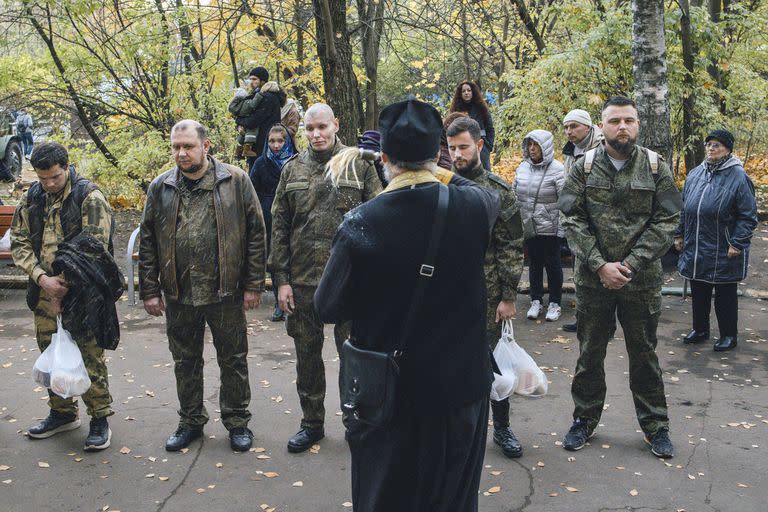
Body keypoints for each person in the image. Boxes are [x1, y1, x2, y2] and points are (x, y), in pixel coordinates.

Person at [315, 98, 502, 512]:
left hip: (393, 398)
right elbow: (478, 191)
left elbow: (326, 306)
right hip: (462, 392)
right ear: (438, 154)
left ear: (382, 157)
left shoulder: (362, 222)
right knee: (454, 500)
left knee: (387, 499)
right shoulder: (475, 208)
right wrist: (437, 170)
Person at [558, 96, 682, 458]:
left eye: (629, 120)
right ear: (602, 126)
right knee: (589, 353)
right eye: (614, 121)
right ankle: (583, 420)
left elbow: (667, 219)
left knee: (644, 354)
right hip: (593, 281)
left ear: (639, 124)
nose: (622, 127)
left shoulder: (656, 167)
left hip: (640, 282)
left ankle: (656, 426)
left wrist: (630, 264)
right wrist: (600, 265)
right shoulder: (583, 167)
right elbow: (571, 218)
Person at [139, 120, 267, 453]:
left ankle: (238, 422)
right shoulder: (160, 186)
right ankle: (191, 421)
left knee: (234, 360)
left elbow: (256, 233)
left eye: (188, 146)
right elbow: (149, 240)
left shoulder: (235, 180)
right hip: (180, 292)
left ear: (206, 146)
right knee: (185, 361)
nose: (181, 153)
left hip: (225, 291)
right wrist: (150, 289)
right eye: (176, 147)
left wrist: (254, 284)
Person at [269, 104, 382, 453]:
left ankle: (356, 423)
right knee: (307, 356)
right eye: (309, 128)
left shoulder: (359, 165)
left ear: (336, 124)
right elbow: (280, 227)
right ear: (302, 130)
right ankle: (312, 423)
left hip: (351, 282)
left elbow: (380, 221)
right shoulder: (292, 170)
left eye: (322, 126)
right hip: (303, 282)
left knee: (354, 357)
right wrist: (281, 281)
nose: (316, 134)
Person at [10, 141, 115, 451]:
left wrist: (63, 285)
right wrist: (43, 279)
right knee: (51, 351)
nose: (48, 184)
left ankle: (99, 416)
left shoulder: (89, 197)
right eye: (42, 178)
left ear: (66, 167)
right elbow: (19, 241)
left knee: (88, 352)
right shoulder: (33, 197)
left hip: (83, 292)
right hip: (43, 291)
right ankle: (62, 412)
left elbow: (93, 247)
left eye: (54, 177)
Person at [446, 116, 525, 458]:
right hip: (448, 296)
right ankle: (459, 430)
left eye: (463, 147)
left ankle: (502, 429)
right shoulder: (442, 186)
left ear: (479, 145)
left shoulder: (497, 191)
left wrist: (508, 296)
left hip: (488, 294)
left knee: (492, 364)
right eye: (452, 148)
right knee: (451, 363)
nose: (457, 154)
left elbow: (511, 244)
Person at [675, 129, 757, 352]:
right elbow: (684, 208)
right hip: (696, 243)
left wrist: (738, 243)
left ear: (728, 149)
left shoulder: (739, 177)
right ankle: (700, 329)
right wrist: (679, 234)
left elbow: (748, 215)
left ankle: (729, 335)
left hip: (724, 246)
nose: (711, 149)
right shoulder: (695, 174)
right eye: (709, 144)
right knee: (699, 288)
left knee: (725, 293)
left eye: (717, 145)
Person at [513, 130, 565, 322]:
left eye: (536, 145)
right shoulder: (522, 167)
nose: (532, 149)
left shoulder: (558, 169)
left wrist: (561, 228)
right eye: (529, 144)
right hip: (529, 225)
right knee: (534, 263)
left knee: (553, 264)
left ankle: (555, 302)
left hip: (550, 227)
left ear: (546, 147)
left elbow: (564, 200)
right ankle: (536, 300)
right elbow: (514, 193)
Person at [561, 109, 604, 333]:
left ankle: (603, 321)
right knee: (580, 273)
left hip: (601, 220)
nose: (569, 131)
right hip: (578, 219)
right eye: (566, 127)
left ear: (587, 127)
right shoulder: (570, 151)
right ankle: (584, 319)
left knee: (601, 270)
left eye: (574, 126)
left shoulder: (602, 148)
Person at [250, 124, 297, 322]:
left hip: (295, 214)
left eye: (280, 141)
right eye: (272, 141)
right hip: (268, 215)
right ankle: (279, 303)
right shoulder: (261, 163)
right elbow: (251, 192)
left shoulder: (297, 161)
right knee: (276, 258)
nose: (276, 145)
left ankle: (295, 301)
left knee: (295, 256)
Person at [228, 67, 282, 170]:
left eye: (254, 79)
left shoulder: (268, 97)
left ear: (263, 80)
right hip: (258, 144)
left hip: (264, 144)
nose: (251, 82)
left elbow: (253, 120)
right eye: (250, 79)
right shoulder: (258, 95)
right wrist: (240, 125)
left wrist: (238, 121)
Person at [449, 81, 495, 171]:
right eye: (464, 91)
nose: (466, 93)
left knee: (484, 171)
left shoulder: (482, 108)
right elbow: (450, 129)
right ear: (460, 94)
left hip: (481, 145)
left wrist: (489, 145)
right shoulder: (456, 109)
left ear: (472, 92)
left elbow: (490, 128)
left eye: (469, 90)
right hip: (462, 146)